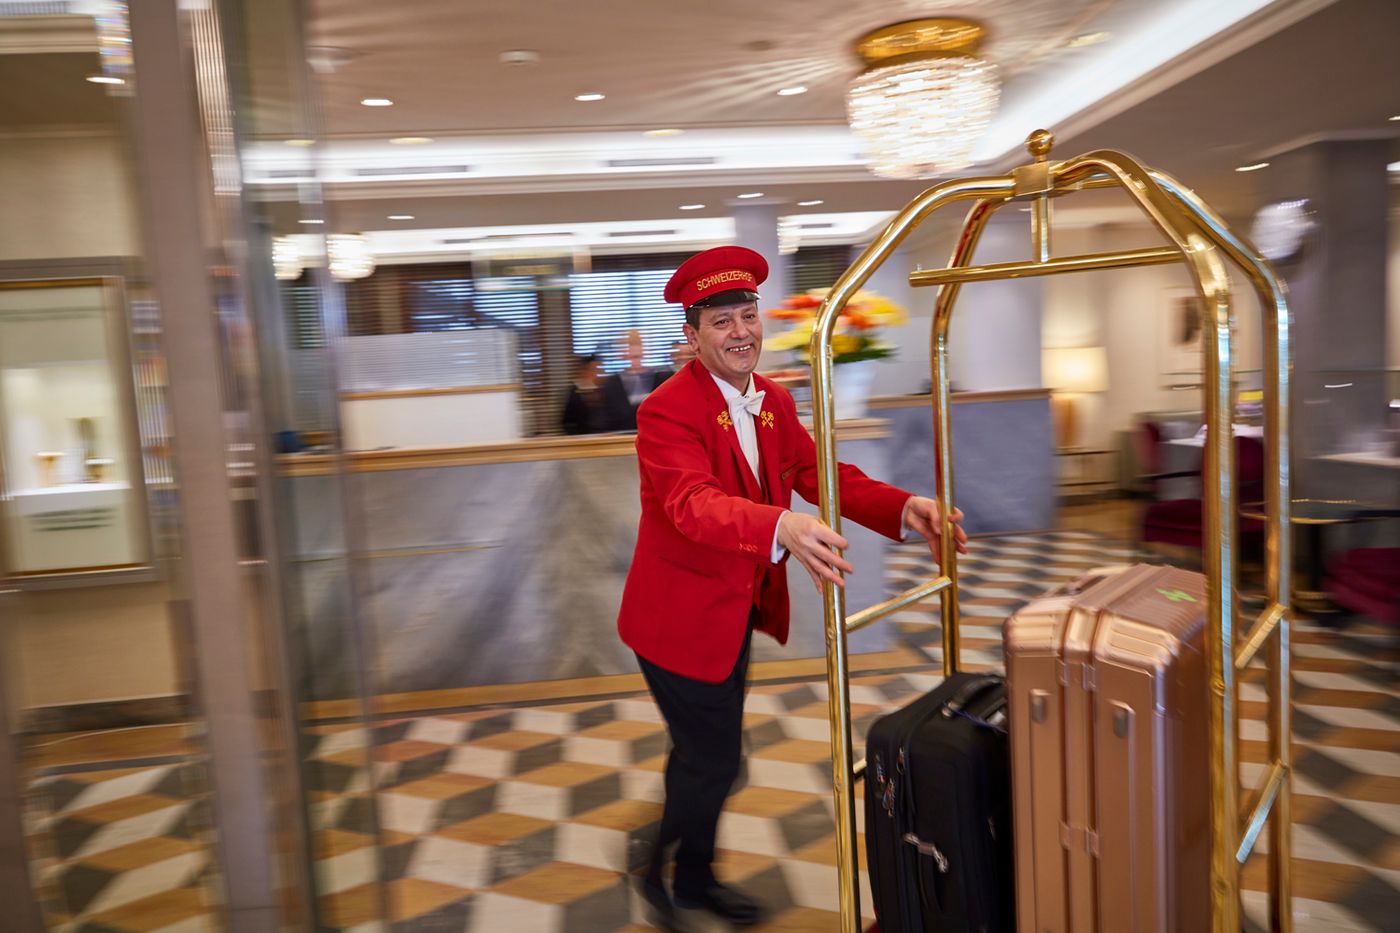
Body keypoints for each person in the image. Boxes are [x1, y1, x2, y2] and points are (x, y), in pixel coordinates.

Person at [617, 245, 967, 928]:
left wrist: (903, 507)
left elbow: (820, 472)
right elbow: (692, 503)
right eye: (721, 322)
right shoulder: (665, 411)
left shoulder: (771, 399)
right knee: (714, 759)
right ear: (691, 337)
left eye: (748, 314)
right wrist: (781, 523)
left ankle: (688, 874)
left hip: (731, 613)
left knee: (707, 756)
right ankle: (662, 864)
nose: (741, 330)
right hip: (675, 622)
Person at [600, 329, 665, 431]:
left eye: (637, 357)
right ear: (623, 356)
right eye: (630, 357)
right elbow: (608, 422)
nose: (634, 362)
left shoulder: (661, 379)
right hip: (622, 441)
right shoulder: (612, 384)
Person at [561, 353, 606, 434]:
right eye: (594, 369)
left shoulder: (603, 389)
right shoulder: (574, 392)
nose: (598, 372)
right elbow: (567, 422)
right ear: (586, 370)